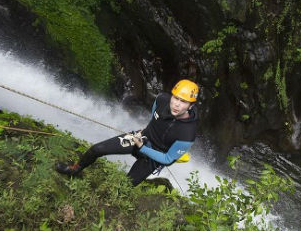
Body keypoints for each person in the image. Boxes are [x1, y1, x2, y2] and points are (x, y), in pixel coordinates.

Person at [55, 79, 199, 186]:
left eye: (183, 102)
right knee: (97, 149)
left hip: (155, 156)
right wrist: (145, 132)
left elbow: (168, 159)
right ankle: (74, 170)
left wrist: (143, 148)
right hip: (140, 137)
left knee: (125, 185)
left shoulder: (187, 134)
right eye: (175, 98)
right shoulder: (162, 100)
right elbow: (153, 116)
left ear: (191, 106)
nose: (176, 104)